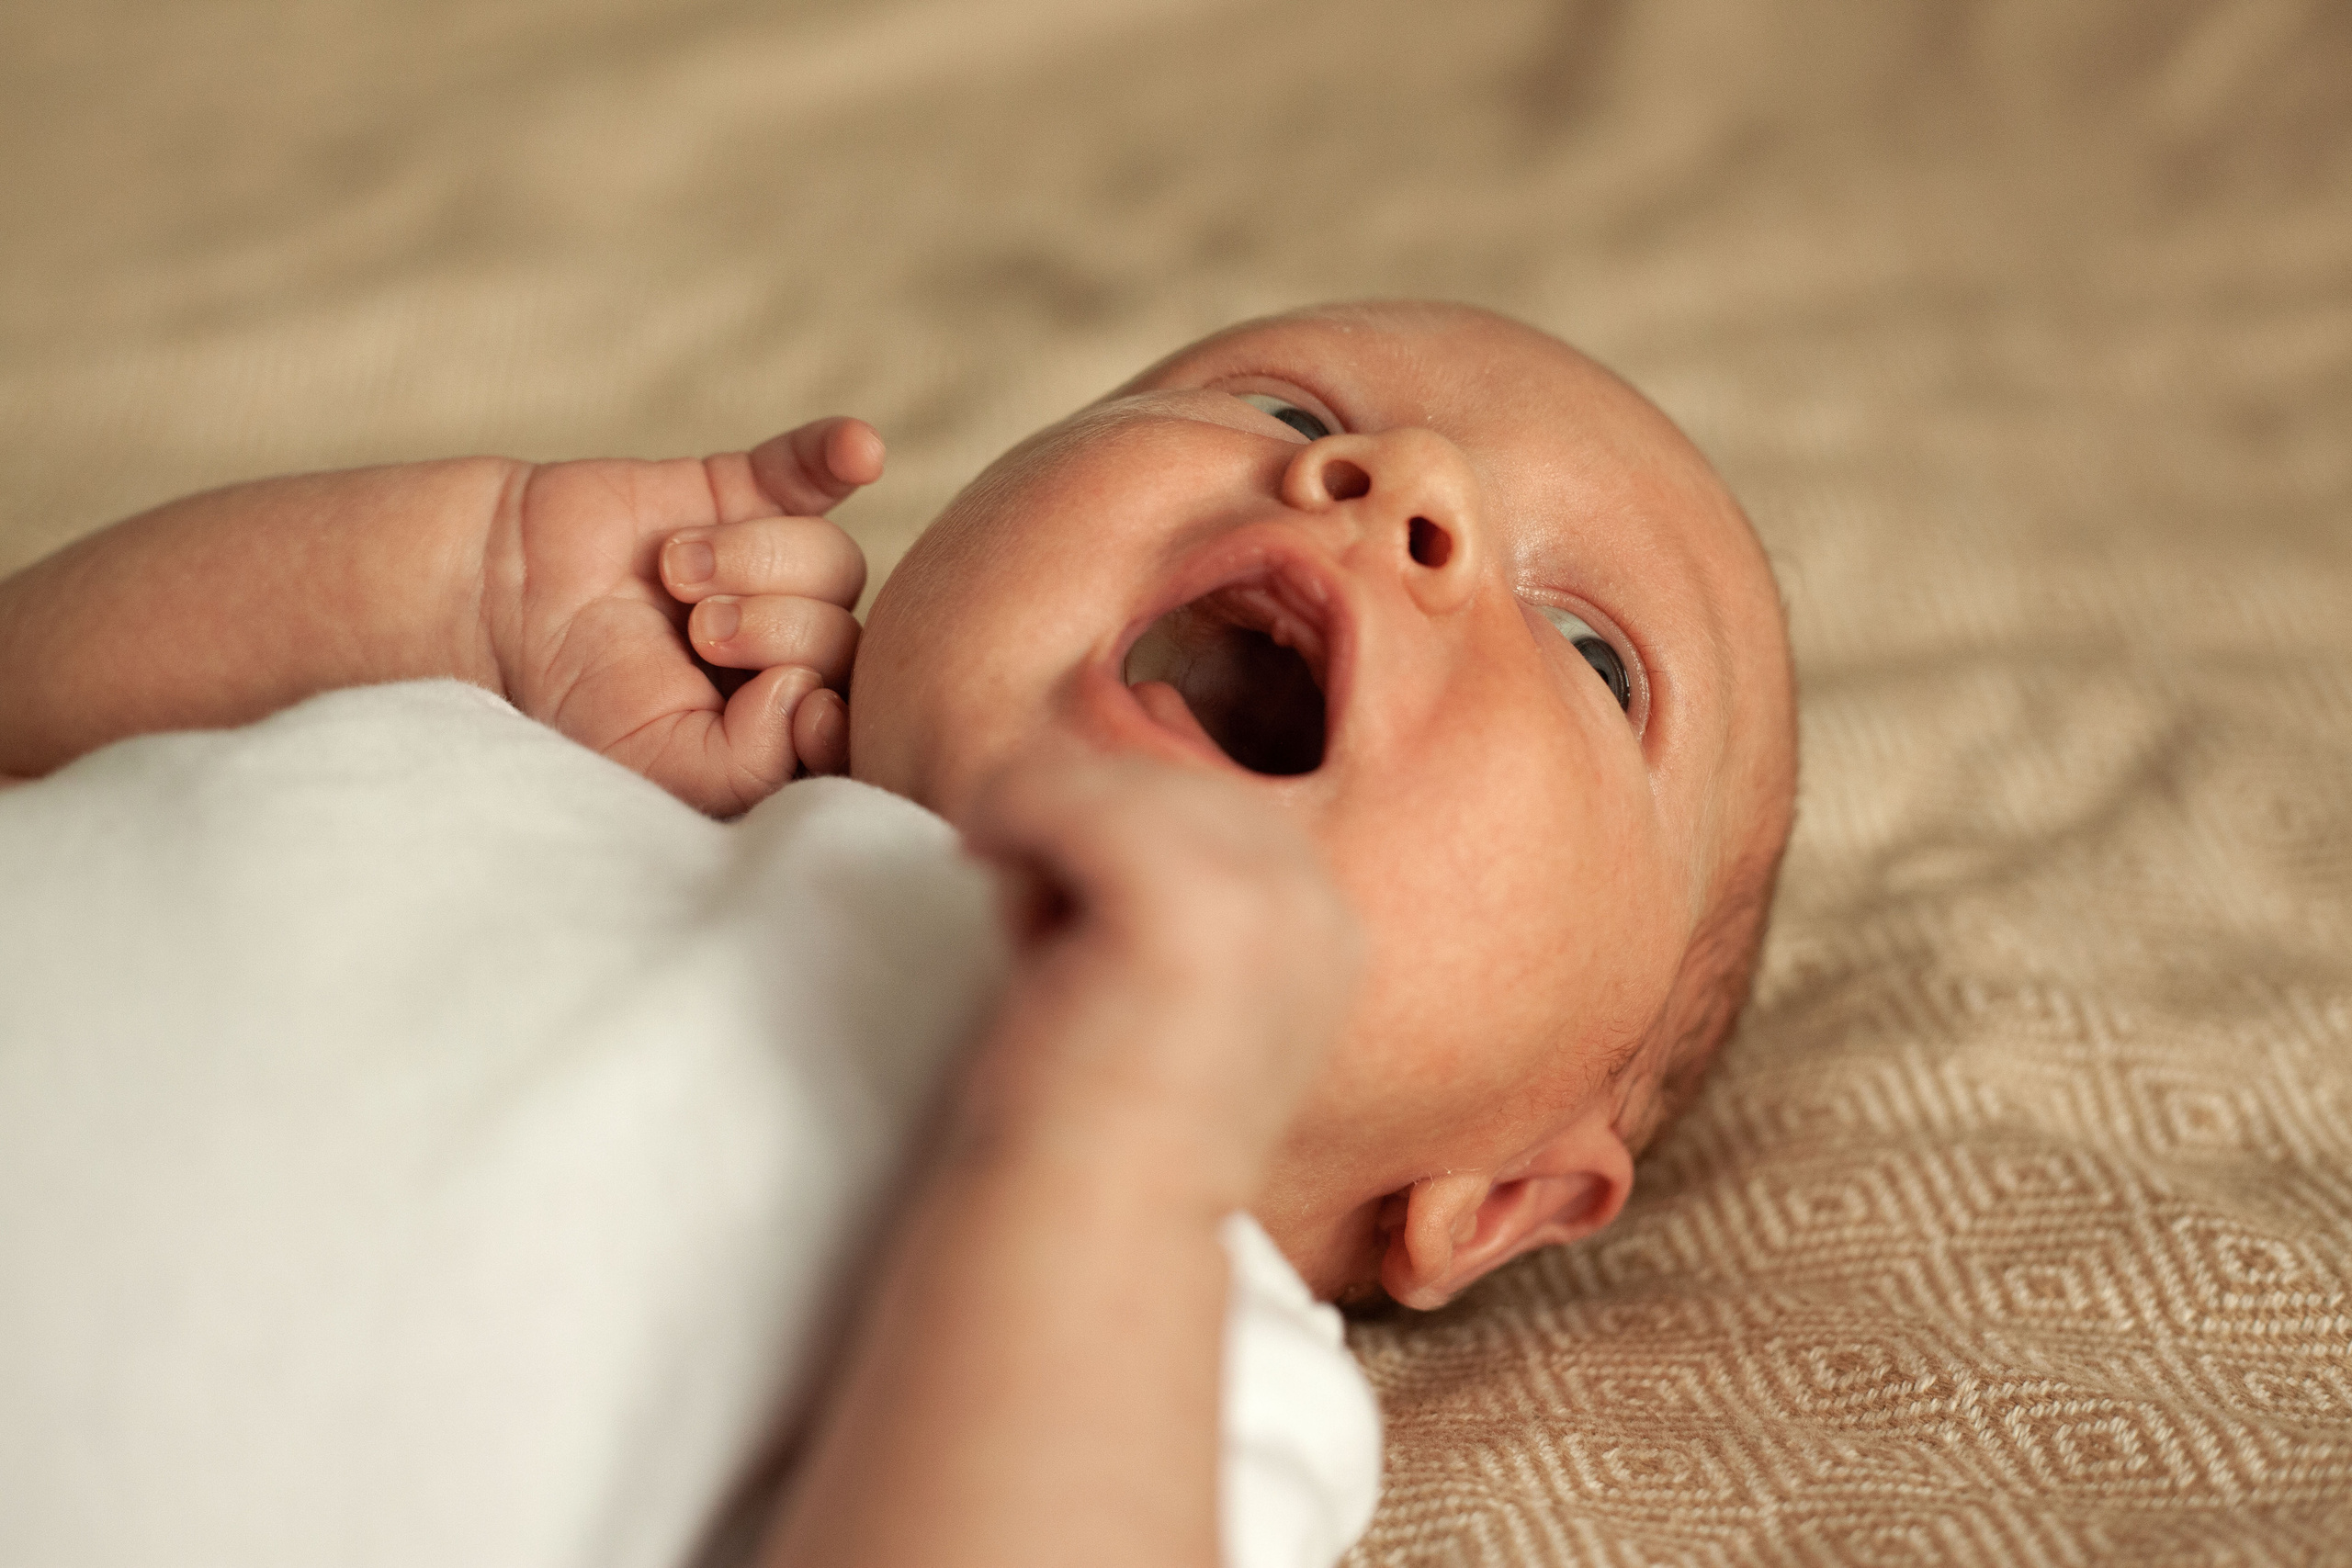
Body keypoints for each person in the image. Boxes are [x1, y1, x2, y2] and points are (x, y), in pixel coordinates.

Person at [0, 300, 1795, 1565]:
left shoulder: (1177, 1374)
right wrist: (475, 581)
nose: (1406, 479)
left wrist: (1108, 1151)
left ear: (1493, 1196)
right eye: (1282, 411)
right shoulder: (608, 776)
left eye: (1597, 654)